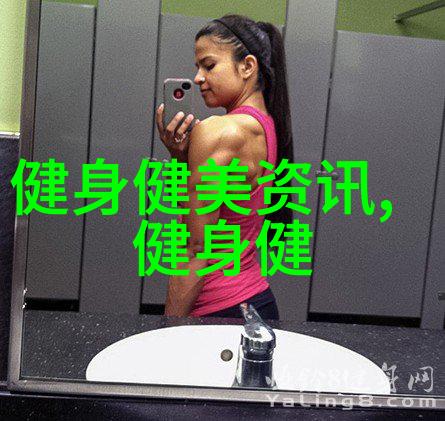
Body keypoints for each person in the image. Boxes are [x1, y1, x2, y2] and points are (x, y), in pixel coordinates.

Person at [155, 14, 294, 320]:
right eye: (197, 67)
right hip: (254, 301)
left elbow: (194, 250)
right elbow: (199, 211)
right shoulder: (265, 126)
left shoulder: (218, 131)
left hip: (220, 309)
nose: (198, 78)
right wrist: (179, 156)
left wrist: (167, 331)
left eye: (209, 65)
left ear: (247, 66)